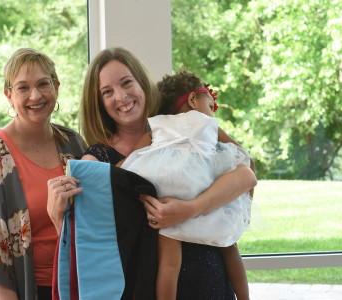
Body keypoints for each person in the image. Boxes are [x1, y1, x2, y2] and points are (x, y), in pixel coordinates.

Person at [47, 47, 256, 299]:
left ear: (141, 82)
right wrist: (58, 215)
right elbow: (88, 239)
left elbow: (247, 174)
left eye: (127, 83)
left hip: (210, 277)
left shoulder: (181, 125)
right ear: (98, 102)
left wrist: (191, 208)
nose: (121, 96)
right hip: (144, 286)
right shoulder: (98, 160)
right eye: (107, 92)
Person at [0, 48, 86, 300]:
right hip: (25, 291)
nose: (35, 95)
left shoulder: (74, 144)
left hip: (80, 284)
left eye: (43, 84)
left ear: (56, 86)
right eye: (23, 88)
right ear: (9, 95)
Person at [120, 70, 255, 300]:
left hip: (167, 187)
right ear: (194, 100)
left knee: (169, 262)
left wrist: (120, 170)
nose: (212, 113)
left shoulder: (157, 125)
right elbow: (245, 160)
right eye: (211, 105)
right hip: (201, 183)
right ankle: (244, 297)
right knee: (229, 244)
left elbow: (132, 159)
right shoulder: (206, 124)